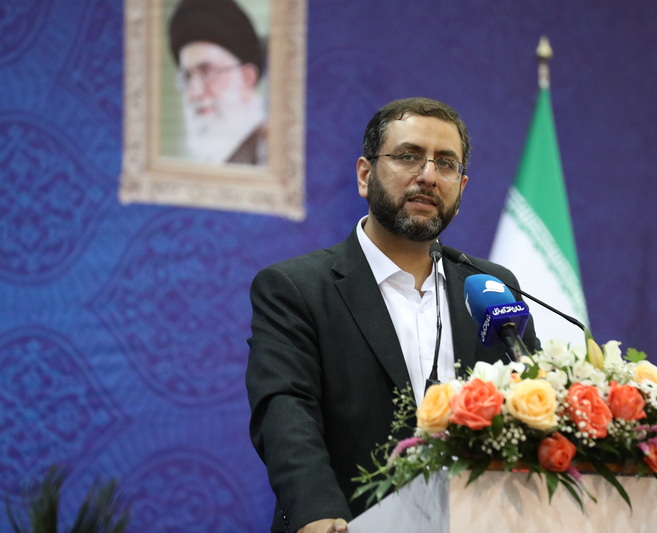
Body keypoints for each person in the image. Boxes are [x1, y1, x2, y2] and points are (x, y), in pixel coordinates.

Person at [246, 97, 539, 533]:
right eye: (408, 156)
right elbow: (286, 412)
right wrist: (317, 512)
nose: (428, 176)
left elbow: (528, 402)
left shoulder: (491, 287)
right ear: (365, 175)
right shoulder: (297, 289)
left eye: (445, 164)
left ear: (461, 188)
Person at [168, 0, 268, 165]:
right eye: (187, 77)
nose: (195, 93)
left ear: (247, 78)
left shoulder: (269, 154)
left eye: (208, 72)